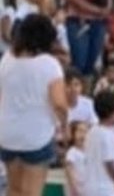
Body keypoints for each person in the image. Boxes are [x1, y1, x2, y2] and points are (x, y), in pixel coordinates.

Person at [0, 14, 67, 196]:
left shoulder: (6, 60)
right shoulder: (50, 64)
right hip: (36, 137)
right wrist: (65, 126)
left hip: (7, 134)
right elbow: (59, 103)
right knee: (31, 192)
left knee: (14, 189)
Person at [84, 90, 114, 196]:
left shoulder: (91, 131)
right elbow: (110, 163)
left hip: (89, 187)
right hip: (105, 189)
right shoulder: (109, 135)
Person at [64, 121, 88, 196]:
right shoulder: (72, 153)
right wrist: (74, 190)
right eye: (80, 131)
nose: (83, 135)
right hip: (76, 191)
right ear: (73, 134)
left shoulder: (90, 152)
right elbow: (69, 172)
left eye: (85, 131)